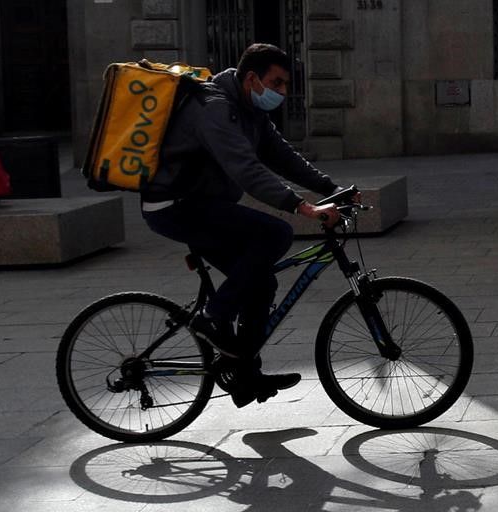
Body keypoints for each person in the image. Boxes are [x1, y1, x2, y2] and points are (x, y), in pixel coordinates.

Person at [141, 43, 356, 408]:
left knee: (261, 283)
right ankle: (213, 317)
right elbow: (246, 168)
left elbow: (282, 156)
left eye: (287, 84)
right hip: (174, 206)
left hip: (205, 204)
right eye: (278, 82)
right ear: (252, 78)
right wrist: (301, 207)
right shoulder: (214, 108)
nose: (282, 92)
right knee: (276, 232)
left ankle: (244, 377)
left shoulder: (250, 111)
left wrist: (331, 188)